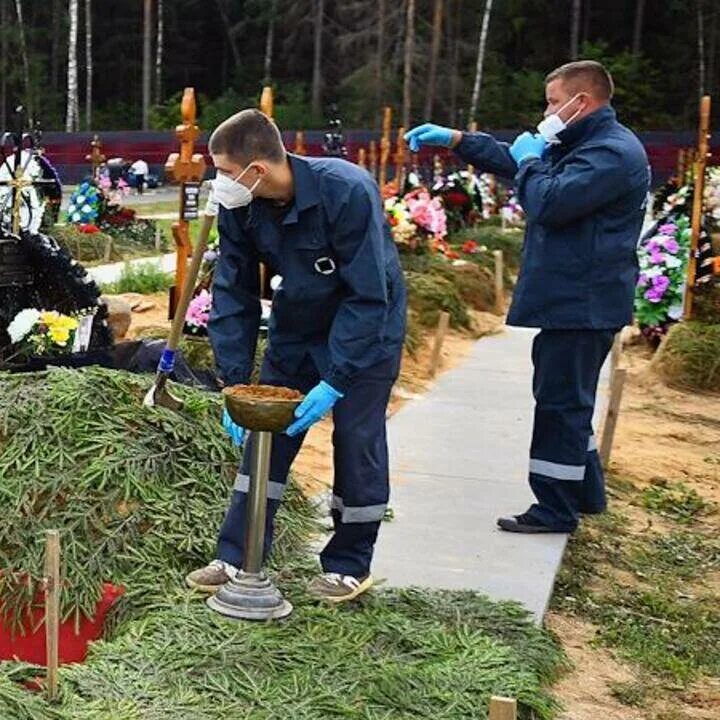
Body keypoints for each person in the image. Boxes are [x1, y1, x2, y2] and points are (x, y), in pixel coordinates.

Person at [405, 60, 649, 534]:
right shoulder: (586, 143)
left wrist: (533, 161)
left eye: (555, 102)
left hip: (582, 302)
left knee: (561, 404)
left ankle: (554, 509)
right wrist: (457, 140)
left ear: (583, 101)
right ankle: (584, 492)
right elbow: (516, 160)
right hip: (573, 299)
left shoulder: (610, 154)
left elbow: (548, 201)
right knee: (564, 397)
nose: (548, 111)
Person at [184, 109, 407, 603]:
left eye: (223, 171)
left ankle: (348, 563)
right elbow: (233, 290)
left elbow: (368, 293)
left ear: (256, 170)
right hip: (298, 327)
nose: (218, 182)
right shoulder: (240, 205)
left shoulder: (346, 190)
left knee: (356, 436)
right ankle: (237, 553)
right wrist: (235, 380)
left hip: (367, 329)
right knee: (267, 437)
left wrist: (338, 377)